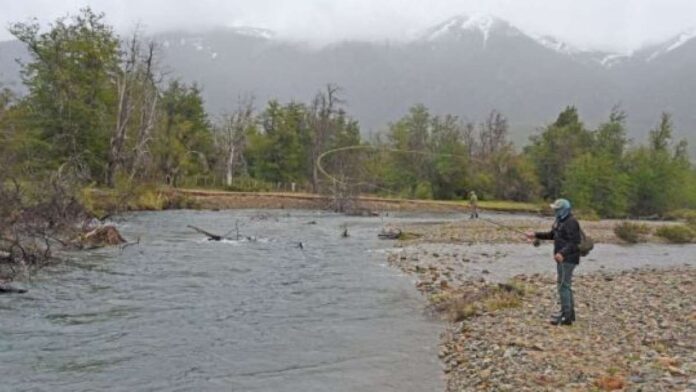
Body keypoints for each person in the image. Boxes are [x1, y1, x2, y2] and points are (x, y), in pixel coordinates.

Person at [526, 199, 582, 326]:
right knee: (565, 285)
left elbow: (575, 243)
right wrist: (535, 234)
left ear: (565, 209)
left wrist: (562, 253)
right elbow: (552, 235)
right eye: (555, 209)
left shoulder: (571, 222)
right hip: (562, 258)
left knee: (563, 286)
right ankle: (569, 314)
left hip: (568, 259)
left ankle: (566, 317)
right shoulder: (560, 221)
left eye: (557, 209)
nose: (555, 211)